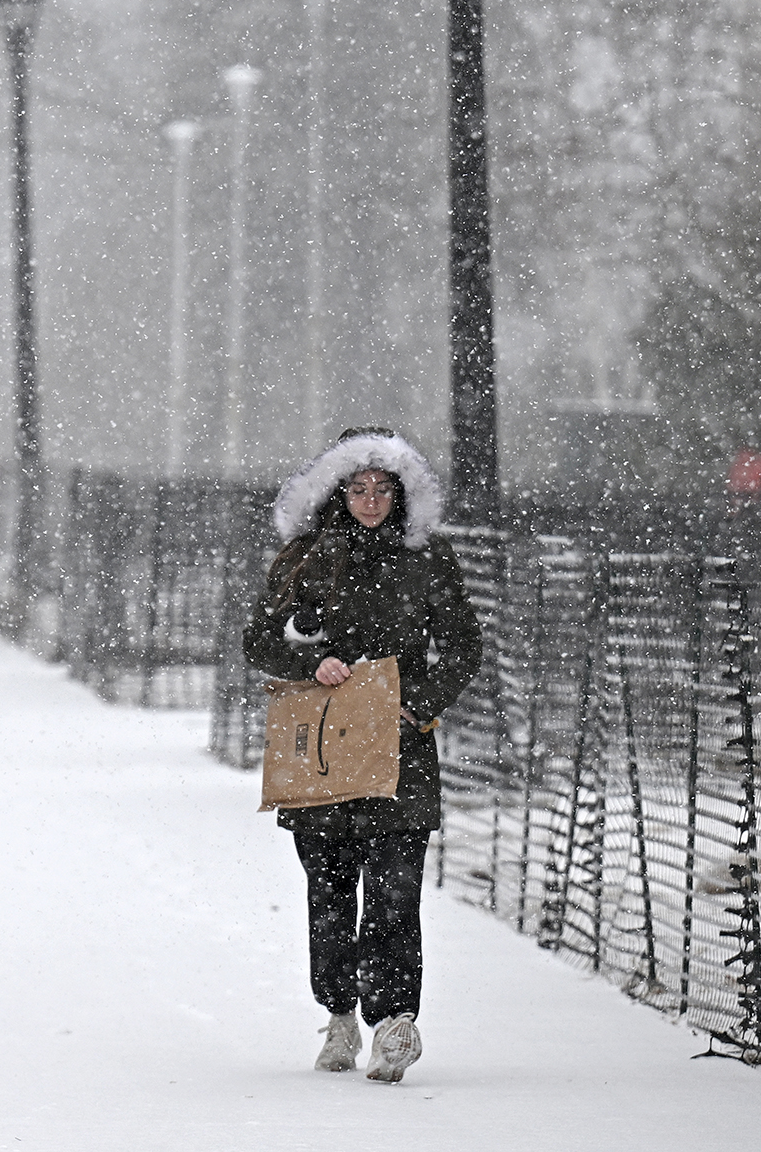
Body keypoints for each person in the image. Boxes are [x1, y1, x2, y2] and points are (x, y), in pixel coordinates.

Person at [243, 427, 483, 1084]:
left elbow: (464, 645)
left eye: (383, 488)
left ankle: (396, 1022)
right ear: (336, 492)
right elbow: (259, 641)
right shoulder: (304, 559)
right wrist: (308, 660)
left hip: (402, 749)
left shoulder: (428, 559)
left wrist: (420, 702)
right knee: (330, 892)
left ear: (402, 494)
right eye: (358, 487)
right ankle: (341, 1014)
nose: (370, 500)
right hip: (322, 751)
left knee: (395, 891)